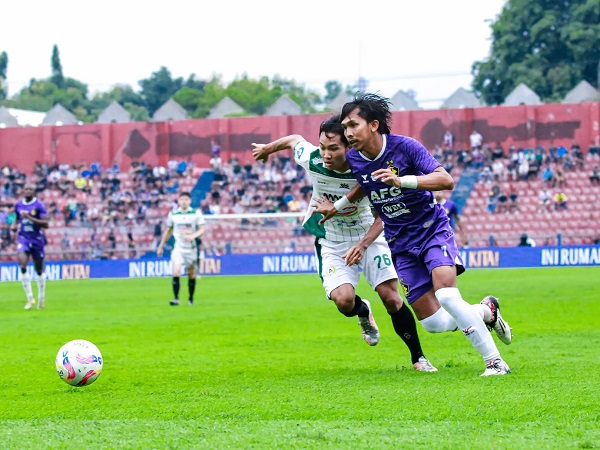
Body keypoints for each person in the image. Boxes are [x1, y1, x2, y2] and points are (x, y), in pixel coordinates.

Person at [315, 93, 512, 376]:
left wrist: (402, 180)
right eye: (345, 127)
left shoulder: (406, 147)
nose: (348, 133)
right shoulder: (356, 158)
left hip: (430, 230)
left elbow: (446, 180)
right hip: (400, 243)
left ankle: (495, 362)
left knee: (447, 295)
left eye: (353, 125)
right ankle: (486, 311)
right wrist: (338, 207)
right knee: (434, 323)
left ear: (373, 125)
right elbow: (364, 185)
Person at [251, 117, 438, 372]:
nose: (326, 154)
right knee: (344, 301)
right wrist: (266, 150)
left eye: (333, 148)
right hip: (332, 240)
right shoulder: (313, 158)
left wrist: (362, 244)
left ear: (349, 146)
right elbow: (294, 140)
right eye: (322, 147)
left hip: (368, 237)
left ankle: (419, 358)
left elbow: (382, 215)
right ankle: (363, 312)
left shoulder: (366, 168)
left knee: (392, 299)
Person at [157, 192, 205, 306]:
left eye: (186, 199)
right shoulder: (173, 214)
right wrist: (160, 246)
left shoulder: (196, 213)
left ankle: (190, 299)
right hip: (178, 248)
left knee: (191, 274)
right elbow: (168, 231)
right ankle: (176, 299)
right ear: (178, 201)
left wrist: (193, 236)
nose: (184, 201)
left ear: (190, 201)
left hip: (191, 249)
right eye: (182, 199)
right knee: (176, 271)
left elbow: (202, 229)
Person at [11, 183, 49, 310]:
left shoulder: (39, 205)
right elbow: (17, 218)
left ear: (34, 192)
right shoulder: (18, 205)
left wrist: (30, 218)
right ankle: (30, 298)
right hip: (24, 238)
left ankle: (41, 298)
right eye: (26, 189)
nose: (28, 191)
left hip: (37, 239)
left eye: (30, 189)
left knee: (38, 270)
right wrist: (14, 224)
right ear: (23, 191)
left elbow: (46, 224)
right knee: (22, 265)